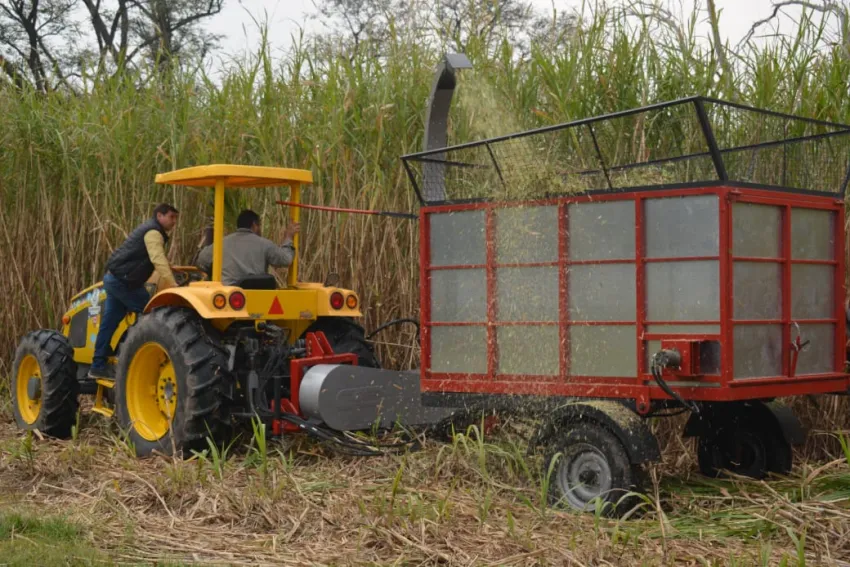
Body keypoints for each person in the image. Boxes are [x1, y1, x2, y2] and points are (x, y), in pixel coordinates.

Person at [88, 203, 180, 380]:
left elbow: (149, 256)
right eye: (171, 217)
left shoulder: (151, 230)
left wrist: (171, 268)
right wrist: (172, 283)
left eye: (175, 218)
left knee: (110, 323)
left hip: (116, 278)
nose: (174, 221)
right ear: (159, 216)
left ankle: (98, 365)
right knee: (150, 312)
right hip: (123, 282)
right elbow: (156, 258)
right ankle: (138, 356)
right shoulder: (153, 232)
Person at [196, 209, 300, 286]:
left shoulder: (221, 243)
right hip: (258, 295)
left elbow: (201, 261)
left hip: (229, 295)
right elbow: (286, 259)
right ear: (254, 225)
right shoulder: (265, 244)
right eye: (259, 226)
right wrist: (288, 237)